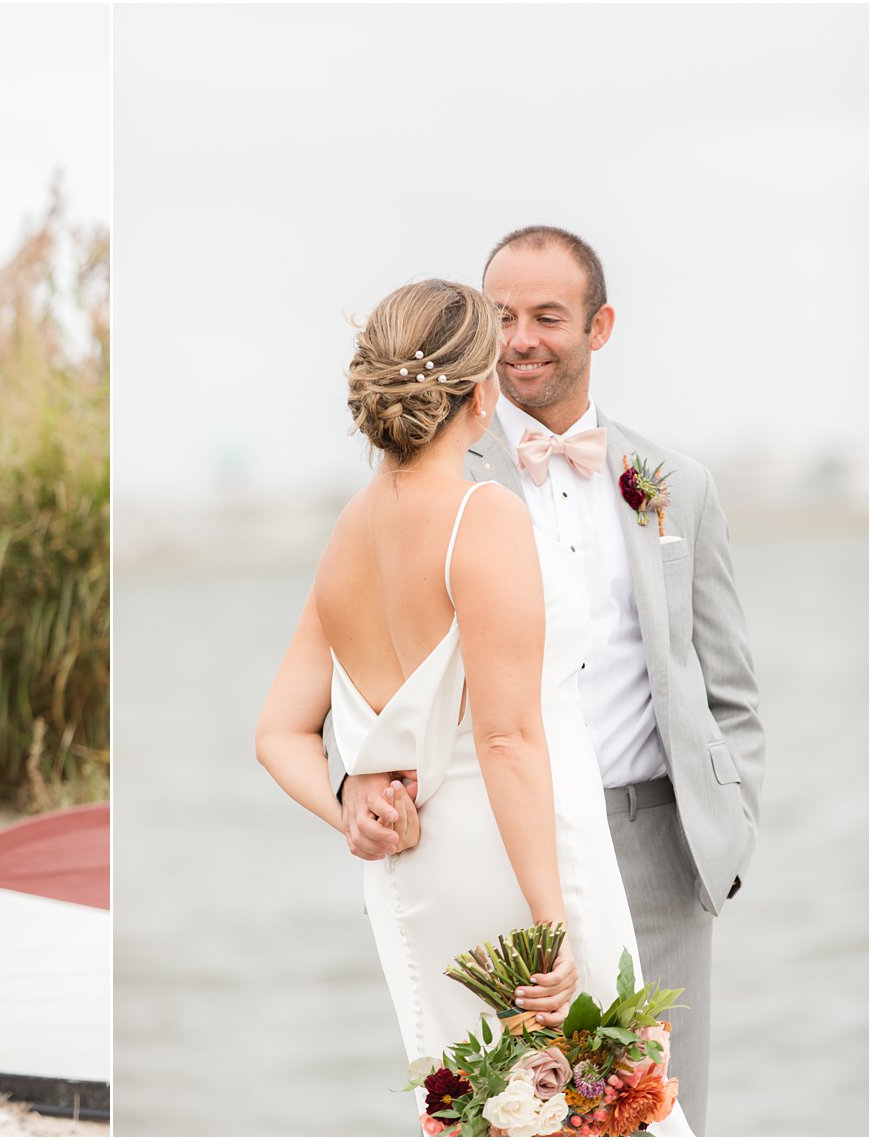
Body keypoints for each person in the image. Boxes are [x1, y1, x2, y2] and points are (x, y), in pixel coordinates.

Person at [324, 228, 764, 1134]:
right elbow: (371, 667)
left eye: (547, 316)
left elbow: (728, 684)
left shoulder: (672, 482)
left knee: (659, 1103)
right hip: (504, 839)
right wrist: (354, 777)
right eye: (502, 317)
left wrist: (729, 825)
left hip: (658, 838)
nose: (521, 336)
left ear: (599, 326)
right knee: (524, 1105)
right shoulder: (439, 477)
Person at [256, 279, 694, 1136]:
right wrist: (551, 922)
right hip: (522, 855)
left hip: (418, 877)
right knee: (602, 1109)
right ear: (483, 391)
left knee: (493, 1107)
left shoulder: (346, 532)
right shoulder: (479, 516)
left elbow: (278, 732)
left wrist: (349, 802)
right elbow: (507, 736)